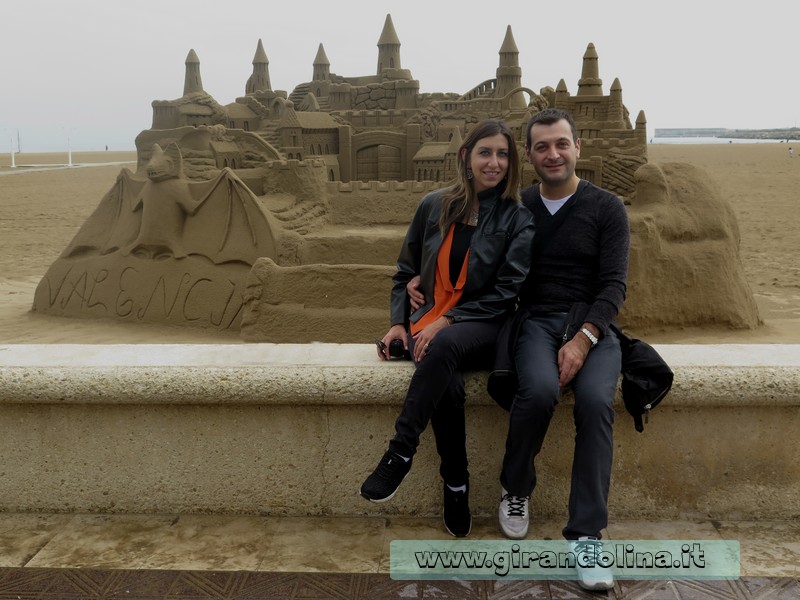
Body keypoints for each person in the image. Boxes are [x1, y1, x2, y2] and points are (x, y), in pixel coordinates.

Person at [359, 119, 535, 538]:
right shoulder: (432, 206)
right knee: (447, 384)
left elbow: (508, 292)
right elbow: (405, 272)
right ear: (466, 158)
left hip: (486, 325)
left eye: (503, 154)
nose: (494, 162)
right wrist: (399, 324)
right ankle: (456, 485)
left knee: (444, 345)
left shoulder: (517, 219)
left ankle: (400, 452)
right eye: (485, 152)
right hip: (430, 327)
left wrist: (447, 319)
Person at [495, 108, 630, 591]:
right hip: (534, 321)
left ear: (578, 148)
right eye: (541, 147)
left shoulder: (607, 208)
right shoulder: (518, 207)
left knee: (595, 402)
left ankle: (587, 536)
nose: (553, 154)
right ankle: (515, 489)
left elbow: (614, 285)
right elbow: (482, 264)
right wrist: (420, 284)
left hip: (592, 326)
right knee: (537, 392)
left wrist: (583, 339)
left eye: (561, 144)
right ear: (530, 156)